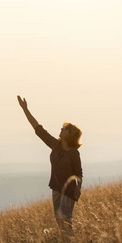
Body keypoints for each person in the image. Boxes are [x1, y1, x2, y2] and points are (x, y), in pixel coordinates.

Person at [17, 95, 83, 235]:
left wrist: (78, 188)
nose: (61, 129)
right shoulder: (56, 145)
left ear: (70, 135)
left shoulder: (73, 153)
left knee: (64, 219)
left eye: (65, 128)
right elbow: (38, 129)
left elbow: (79, 173)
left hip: (69, 190)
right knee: (60, 222)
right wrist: (25, 109)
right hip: (56, 188)